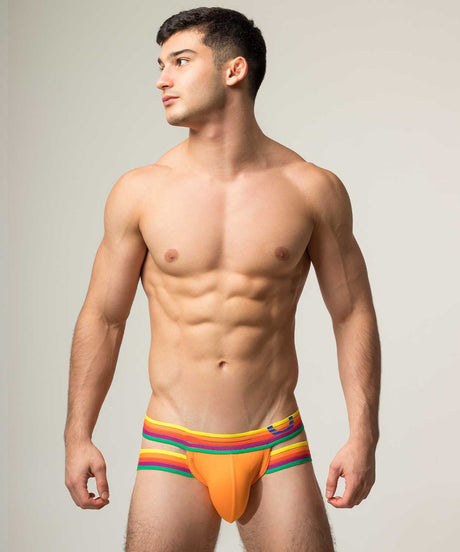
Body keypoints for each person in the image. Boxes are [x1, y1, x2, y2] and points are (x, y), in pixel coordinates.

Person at [64, 7, 381, 552]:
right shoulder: (141, 192)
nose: (162, 79)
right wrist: (77, 435)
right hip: (173, 442)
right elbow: (105, 318)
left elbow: (352, 314)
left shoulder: (311, 189)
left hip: (274, 439)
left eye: (180, 62)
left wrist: (364, 434)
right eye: (161, 65)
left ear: (234, 70)